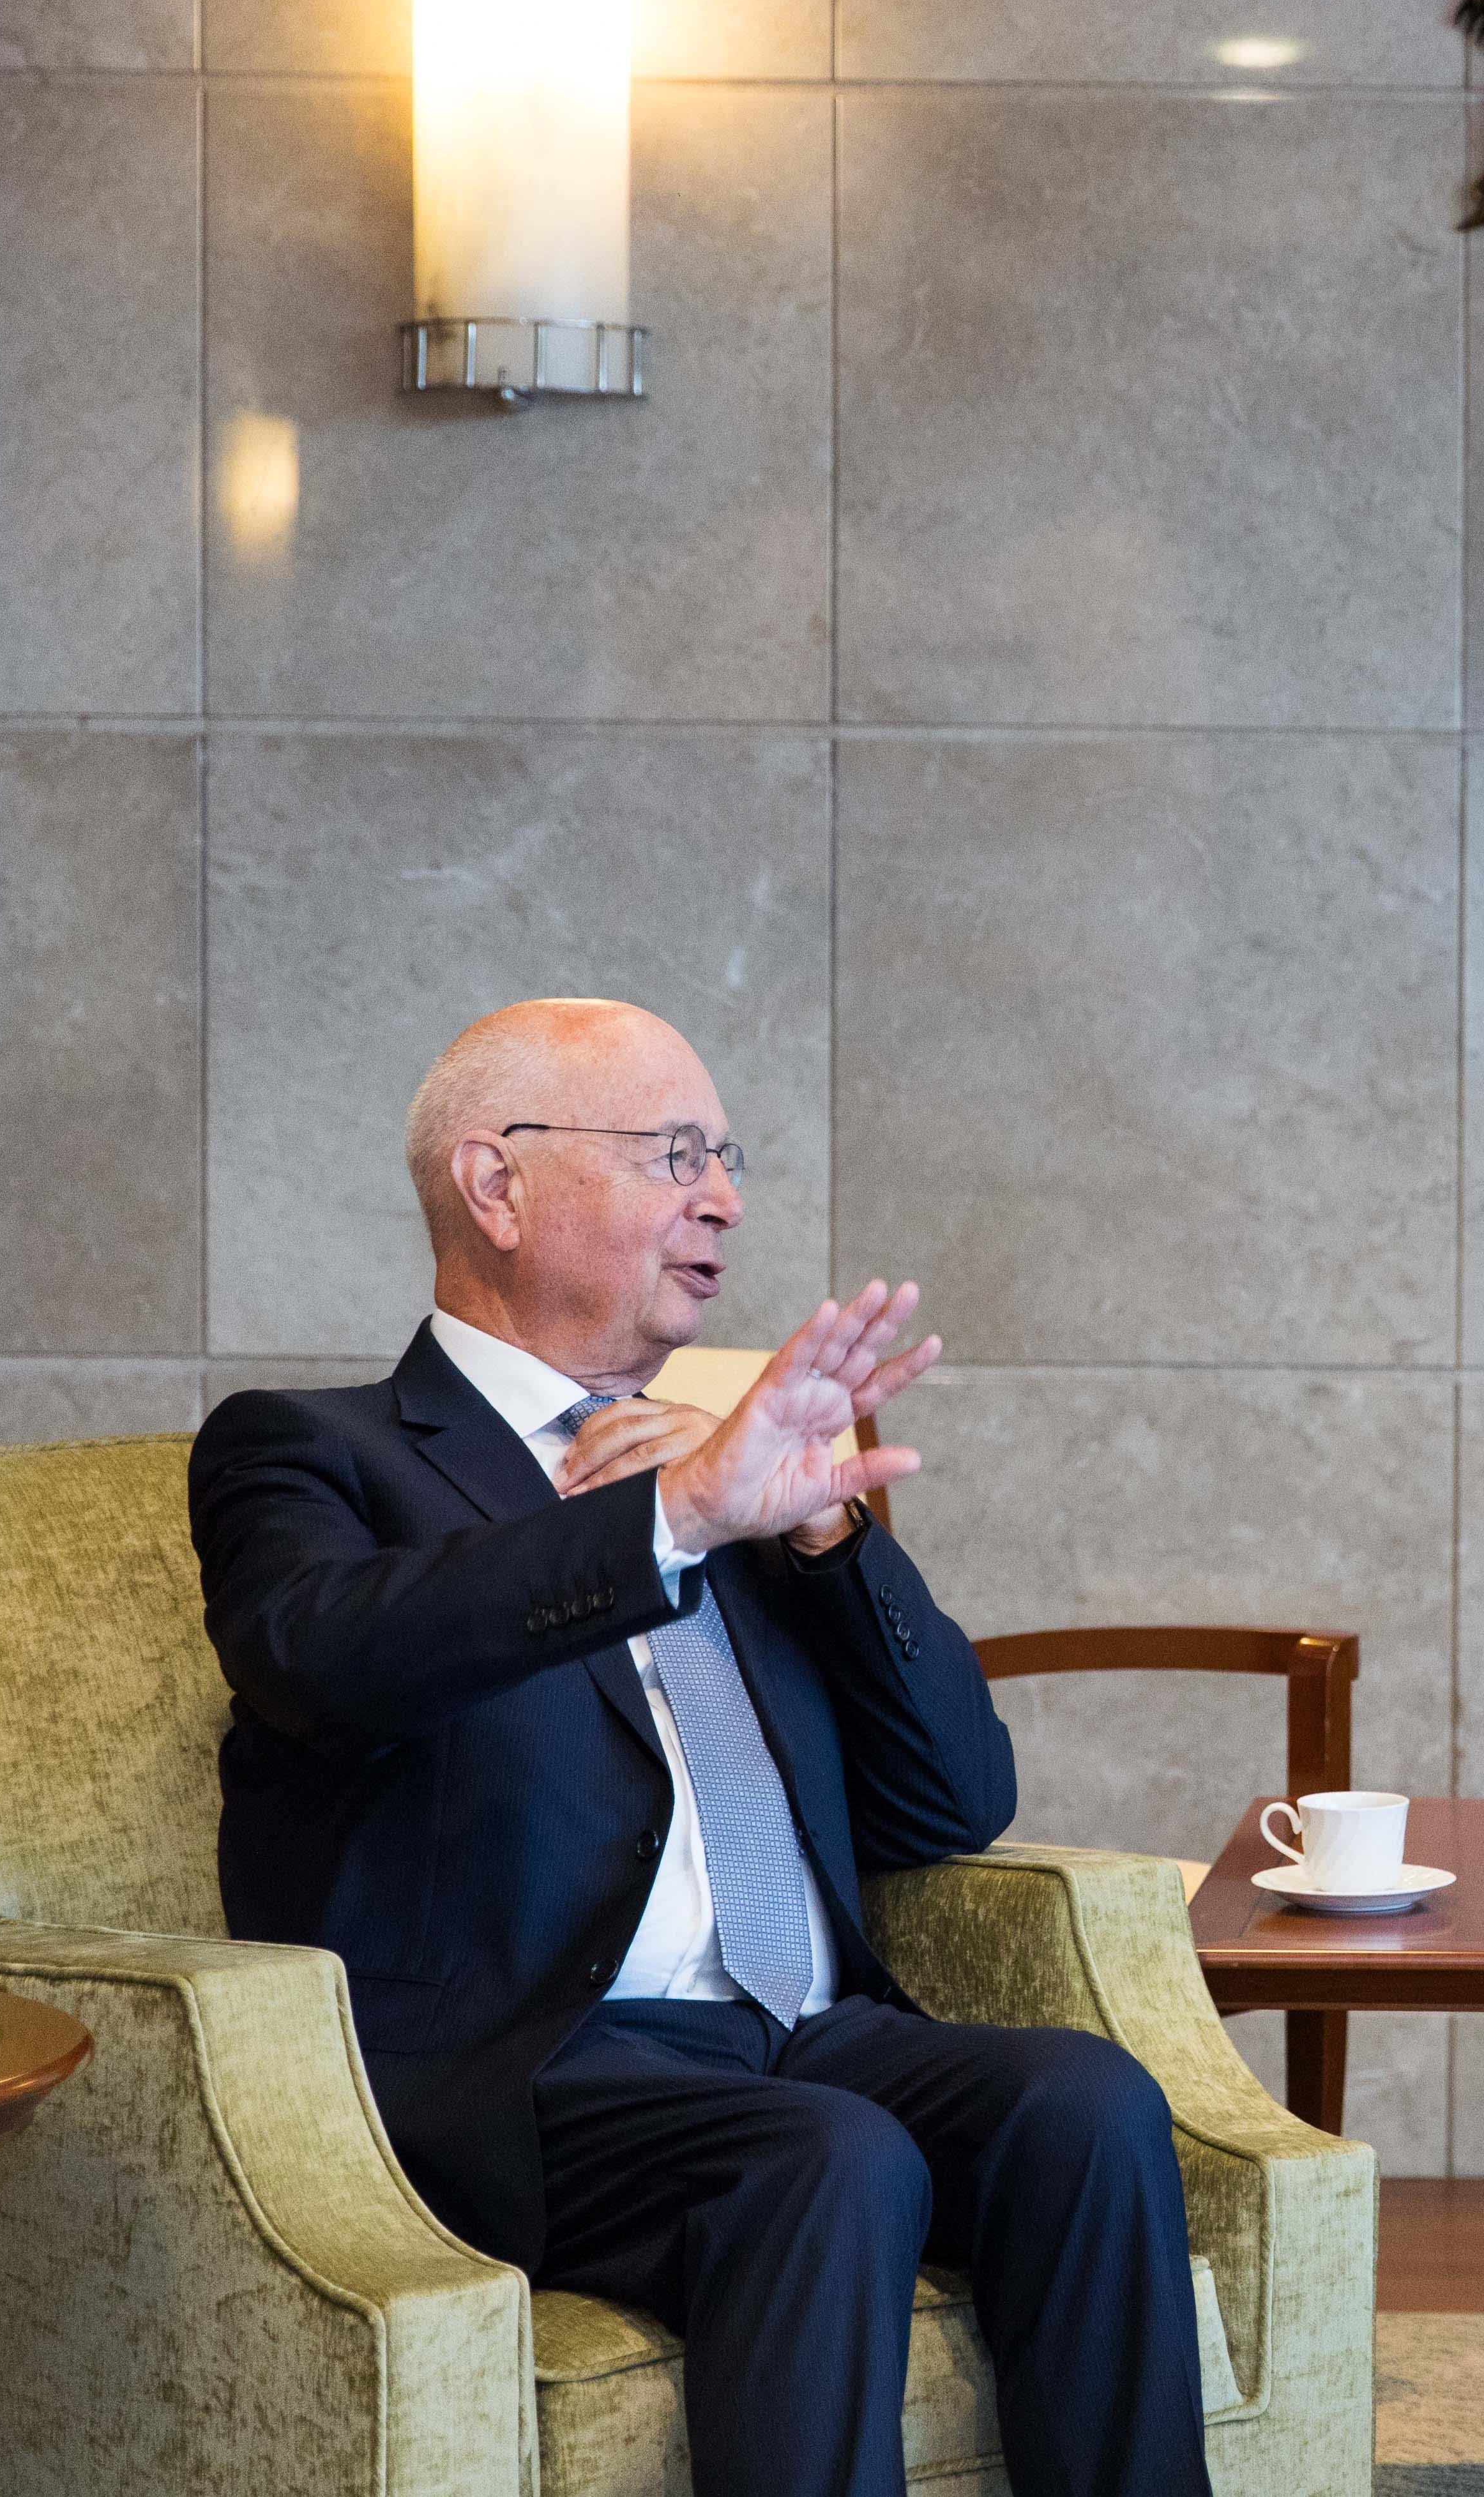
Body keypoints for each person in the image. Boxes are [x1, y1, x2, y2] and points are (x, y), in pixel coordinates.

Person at [192, 998, 1211, 2497]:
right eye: (676, 1153)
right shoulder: (314, 1450)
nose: (724, 1195)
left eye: (726, 1156)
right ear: (499, 1186)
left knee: (1087, 2101)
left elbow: (955, 1801)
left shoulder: (732, 1467)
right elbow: (327, 1662)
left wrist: (812, 1524)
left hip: (794, 2028)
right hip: (530, 2063)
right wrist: (658, 1525)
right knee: (827, 2156)